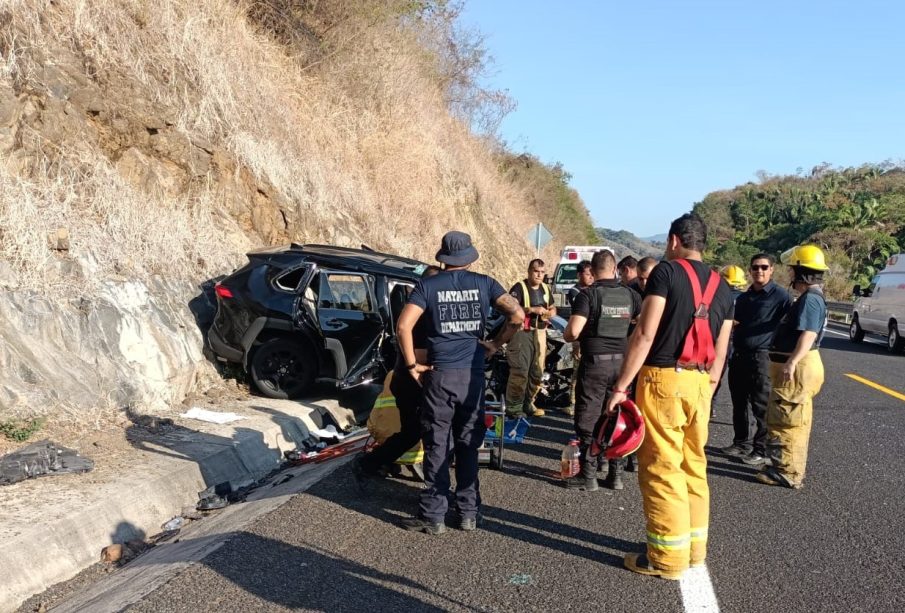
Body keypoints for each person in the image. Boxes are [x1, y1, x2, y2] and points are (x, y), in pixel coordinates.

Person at [605, 213, 735, 580]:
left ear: (674, 240)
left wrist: (619, 388)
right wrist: (707, 388)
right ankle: (694, 551)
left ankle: (665, 560)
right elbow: (721, 350)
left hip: (664, 379)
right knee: (693, 465)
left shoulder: (666, 272)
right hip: (700, 384)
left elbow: (645, 334)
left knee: (662, 470)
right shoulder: (723, 287)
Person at [396, 231, 523, 534]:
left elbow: (403, 325)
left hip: (439, 376)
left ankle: (433, 516)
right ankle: (468, 512)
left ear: (443, 257)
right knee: (468, 443)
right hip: (473, 375)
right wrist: (495, 343)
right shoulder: (486, 284)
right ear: (468, 257)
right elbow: (517, 315)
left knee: (437, 443)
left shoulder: (426, 286)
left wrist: (413, 365)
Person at [563, 250, 641, 491]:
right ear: (615, 267)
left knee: (589, 416)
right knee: (617, 415)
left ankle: (588, 475)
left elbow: (573, 331)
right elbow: (641, 324)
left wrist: (569, 335)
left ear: (593, 271)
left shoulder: (588, 296)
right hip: (623, 363)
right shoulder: (631, 295)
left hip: (595, 362)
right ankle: (615, 475)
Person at [354, 266, 440, 481]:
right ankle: (370, 463)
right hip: (410, 383)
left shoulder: (425, 310)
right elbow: (419, 354)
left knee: (415, 430)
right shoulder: (420, 315)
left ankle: (375, 462)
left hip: (413, 382)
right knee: (419, 430)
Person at [756, 245, 828, 490]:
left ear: (801, 272)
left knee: (788, 420)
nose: (789, 275)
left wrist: (792, 361)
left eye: (792, 269)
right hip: (796, 365)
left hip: (798, 367)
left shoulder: (810, 299)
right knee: (790, 417)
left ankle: (787, 472)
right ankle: (785, 467)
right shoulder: (811, 297)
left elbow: (808, 333)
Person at [722, 255, 791, 466]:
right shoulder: (743, 298)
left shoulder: (781, 297)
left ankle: (761, 449)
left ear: (771, 270)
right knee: (738, 402)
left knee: (760, 405)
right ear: (750, 271)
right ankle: (741, 442)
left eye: (764, 267)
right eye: (755, 267)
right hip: (739, 355)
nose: (759, 271)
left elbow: (790, 325)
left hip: (762, 357)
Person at [506, 259, 556, 417]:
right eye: (536, 271)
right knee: (520, 370)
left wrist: (552, 312)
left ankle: (528, 403)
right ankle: (514, 407)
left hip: (540, 333)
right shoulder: (519, 288)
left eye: (542, 272)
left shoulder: (546, 289)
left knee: (537, 371)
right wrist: (531, 309)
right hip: (523, 333)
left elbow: (553, 307)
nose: (539, 275)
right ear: (529, 271)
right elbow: (509, 306)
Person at [709, 265, 747, 418]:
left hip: (719, 340)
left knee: (713, 373)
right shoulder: (746, 297)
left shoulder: (716, 295)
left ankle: (710, 403)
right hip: (739, 342)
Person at [564, 260, 594, 417]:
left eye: (592, 274)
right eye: (587, 274)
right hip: (580, 336)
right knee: (577, 371)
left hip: (591, 337)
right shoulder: (576, 292)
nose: (590, 277)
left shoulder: (593, 290)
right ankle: (572, 403)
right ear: (579, 275)